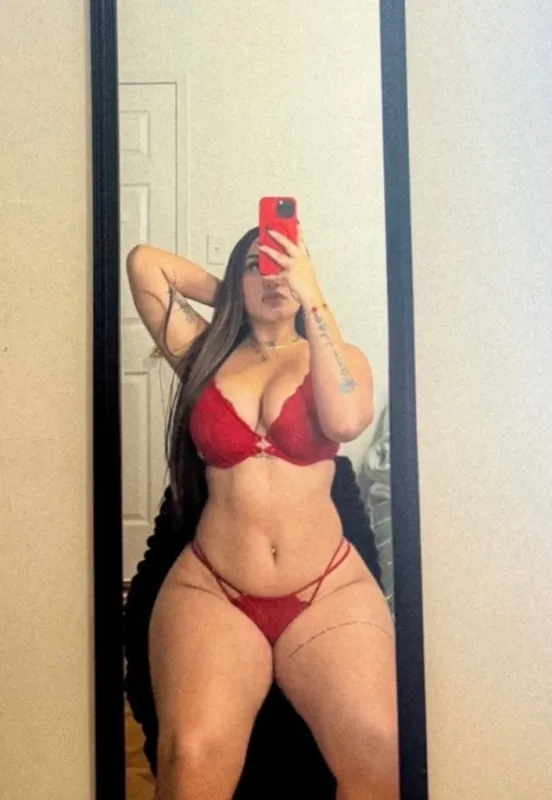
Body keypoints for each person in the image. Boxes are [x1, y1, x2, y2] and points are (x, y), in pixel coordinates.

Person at [126, 224, 398, 800]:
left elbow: (347, 420)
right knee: (190, 758)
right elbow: (145, 264)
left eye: (285, 262)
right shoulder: (205, 356)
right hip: (213, 590)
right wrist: (234, 294)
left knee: (380, 751)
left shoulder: (337, 356)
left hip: (327, 591)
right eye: (258, 264)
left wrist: (308, 291)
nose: (273, 276)